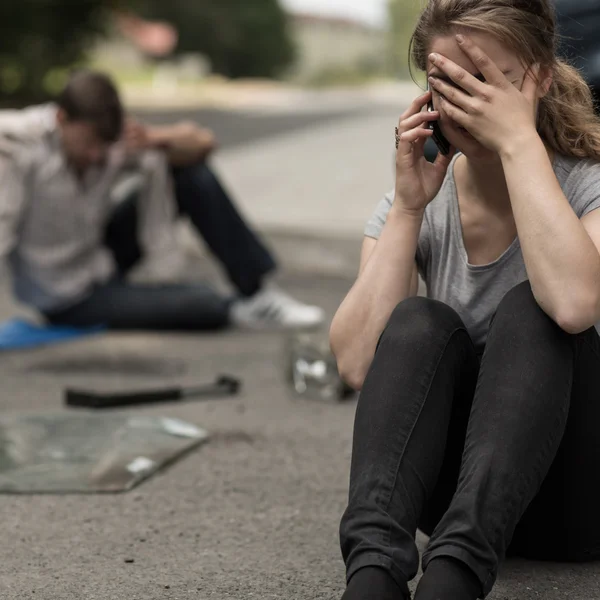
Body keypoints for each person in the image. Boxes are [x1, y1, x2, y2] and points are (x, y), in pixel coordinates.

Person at [329, 1, 600, 599]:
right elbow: (355, 364)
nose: (472, 104)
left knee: (536, 309)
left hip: (576, 500)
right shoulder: (421, 198)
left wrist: (519, 143)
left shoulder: (588, 180)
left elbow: (576, 305)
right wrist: (405, 210)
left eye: (492, 82)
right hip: (451, 500)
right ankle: (372, 572)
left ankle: (453, 582)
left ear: (541, 78)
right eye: (452, 83)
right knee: (418, 320)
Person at [0, 70, 324, 331]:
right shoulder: (17, 147)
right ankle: (229, 307)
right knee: (205, 305)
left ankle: (256, 292)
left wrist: (156, 138)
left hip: (99, 252)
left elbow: (204, 145)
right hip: (66, 294)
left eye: (103, 145)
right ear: (60, 119)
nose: (96, 155)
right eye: (88, 144)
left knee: (191, 175)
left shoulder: (109, 139)